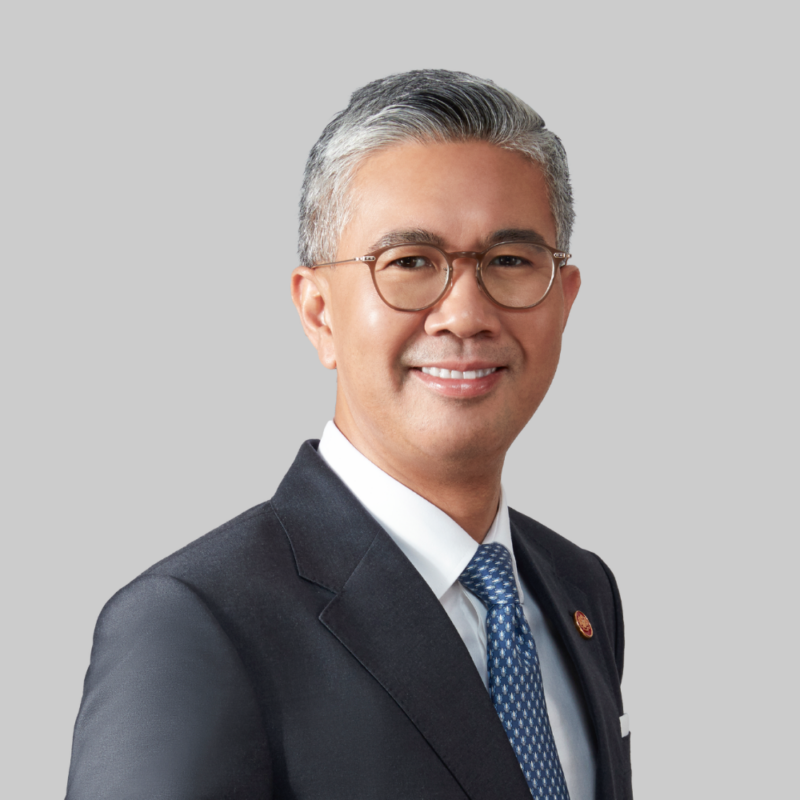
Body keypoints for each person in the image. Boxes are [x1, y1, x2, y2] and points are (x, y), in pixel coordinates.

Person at [65, 70, 631, 800]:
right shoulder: (192, 621)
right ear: (319, 313)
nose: (466, 314)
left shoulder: (580, 588)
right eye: (410, 263)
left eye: (511, 262)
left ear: (564, 302)